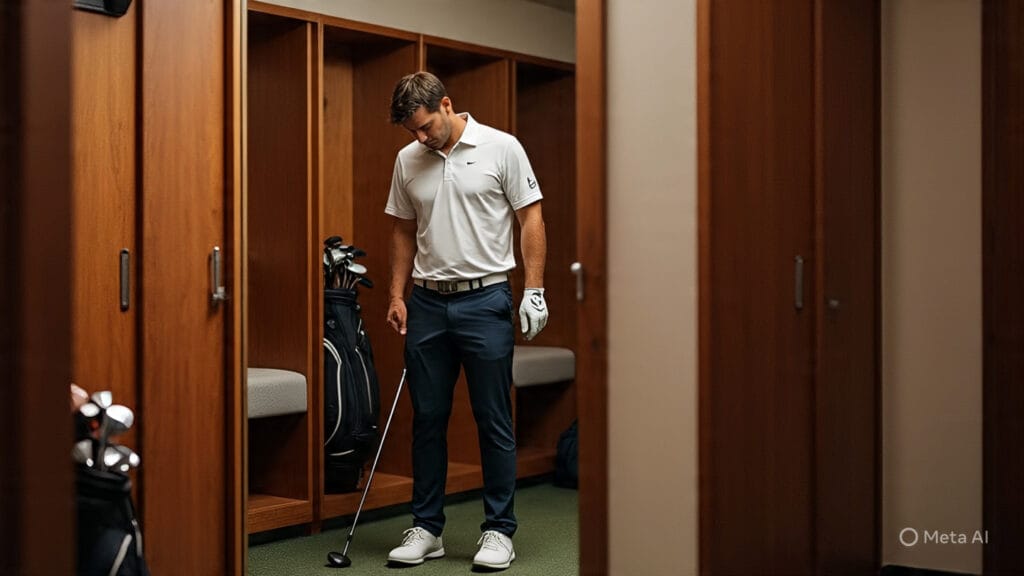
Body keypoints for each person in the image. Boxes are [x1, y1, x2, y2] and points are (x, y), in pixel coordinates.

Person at [383, 71, 549, 571]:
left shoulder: (502, 147)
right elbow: (402, 230)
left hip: (486, 300)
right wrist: (397, 293)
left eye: (426, 126)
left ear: (448, 105)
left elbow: (531, 218)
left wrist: (534, 290)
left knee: (493, 418)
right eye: (412, 130)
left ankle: (499, 531)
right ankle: (427, 528)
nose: (420, 137)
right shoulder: (407, 159)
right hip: (428, 304)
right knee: (428, 419)